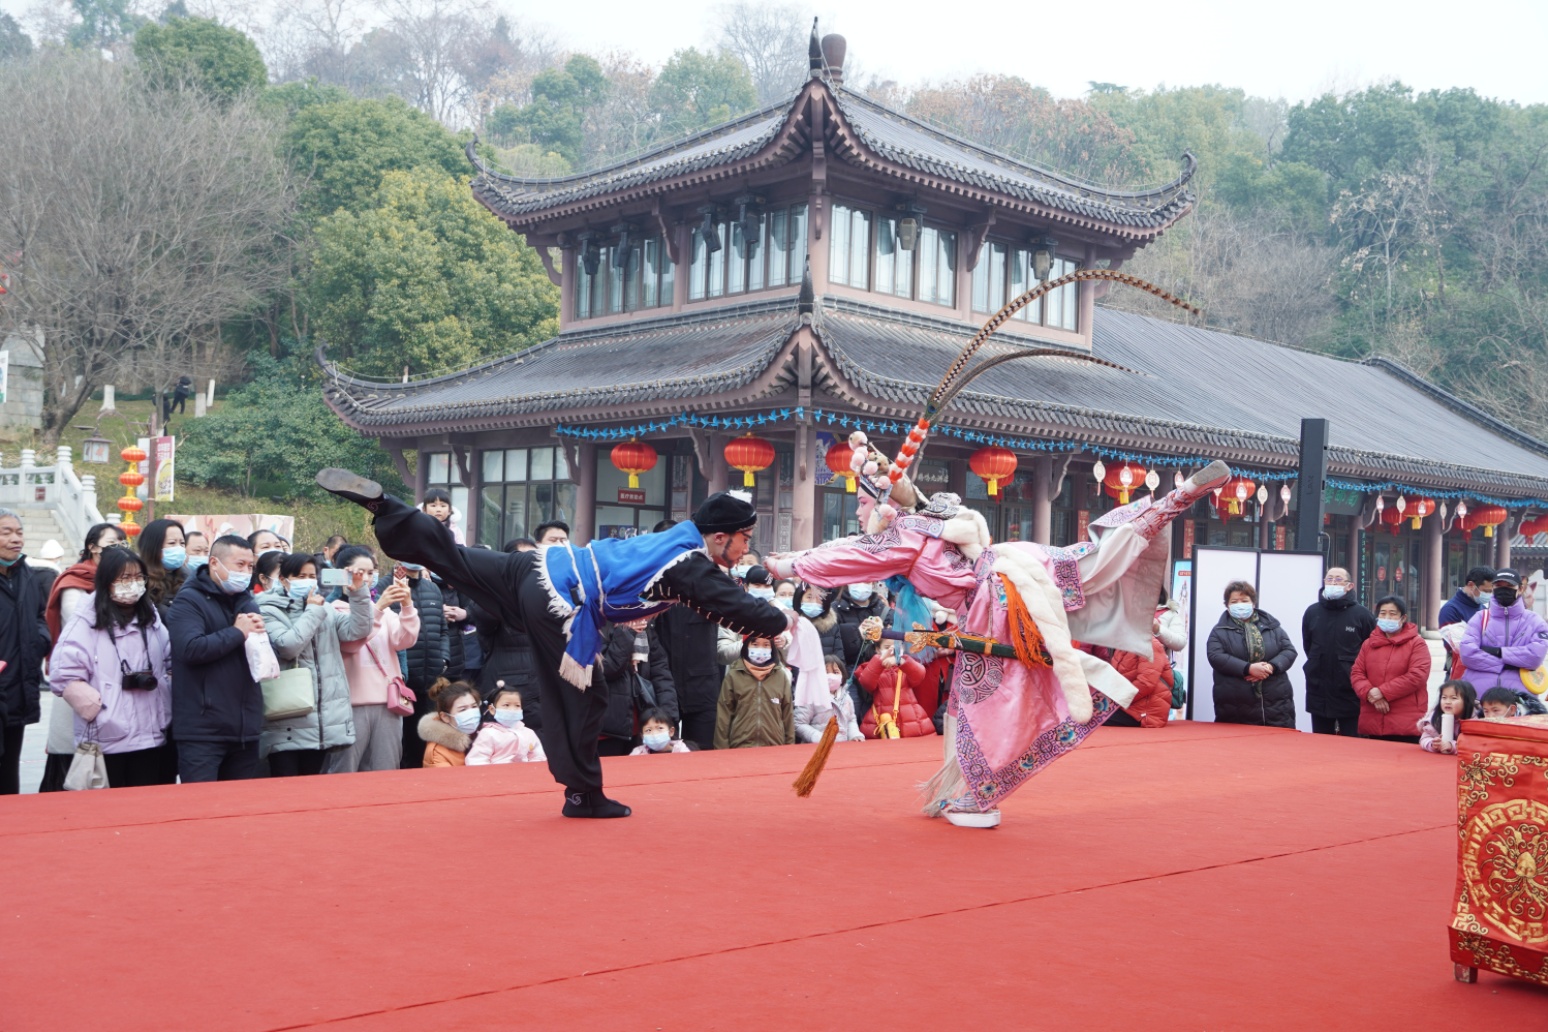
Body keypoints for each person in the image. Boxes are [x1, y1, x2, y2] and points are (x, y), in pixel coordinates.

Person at [766, 433, 1227, 827]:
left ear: (884, 502)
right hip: (1019, 562)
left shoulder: (901, 532)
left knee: (982, 706)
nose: (862, 510)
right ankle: (1175, 497)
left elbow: (847, 556)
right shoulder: (937, 516)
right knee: (1093, 556)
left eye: (865, 501)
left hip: (994, 602)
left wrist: (788, 564)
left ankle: (978, 793)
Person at [316, 468, 790, 818]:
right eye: (745, 538)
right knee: (583, 697)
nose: (746, 548)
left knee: (457, 558)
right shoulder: (689, 560)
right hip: (560, 602)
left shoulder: (674, 541)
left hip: (534, 565)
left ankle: (389, 509)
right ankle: (583, 795)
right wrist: (779, 614)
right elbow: (743, 609)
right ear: (721, 535)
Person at [49, 547, 177, 786]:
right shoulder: (86, 620)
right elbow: (62, 674)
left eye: (138, 578)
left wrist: (165, 693)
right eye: (125, 578)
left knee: (146, 806)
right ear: (107, 581)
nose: (133, 584)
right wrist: (97, 709)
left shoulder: (151, 617)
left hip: (151, 732)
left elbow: (169, 660)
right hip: (106, 736)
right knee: (110, 812)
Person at [258, 552, 374, 776]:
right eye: (301, 576)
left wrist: (358, 593)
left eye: (312, 576)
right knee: (286, 786)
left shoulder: (325, 608)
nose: (308, 581)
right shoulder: (268, 609)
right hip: (286, 717)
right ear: (283, 580)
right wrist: (312, 610)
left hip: (321, 721)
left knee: (312, 786)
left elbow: (358, 630)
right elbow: (288, 647)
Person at [167, 534, 266, 782]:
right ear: (214, 563)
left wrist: (263, 637)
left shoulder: (246, 601)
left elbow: (262, 657)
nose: (245, 572)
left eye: (250, 566)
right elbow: (190, 648)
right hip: (203, 731)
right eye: (239, 565)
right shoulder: (189, 600)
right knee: (202, 810)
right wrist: (236, 632)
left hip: (245, 727)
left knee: (241, 811)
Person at [40, 521, 129, 792]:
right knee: (76, 757)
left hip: (115, 684)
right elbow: (85, 628)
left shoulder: (124, 582)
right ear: (92, 547)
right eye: (112, 545)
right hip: (82, 682)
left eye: (123, 546)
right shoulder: (74, 583)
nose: (118, 552)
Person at [330, 545, 420, 773]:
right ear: (342, 573)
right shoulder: (333, 609)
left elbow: (404, 640)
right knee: (345, 770)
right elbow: (352, 642)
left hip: (389, 702)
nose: (367, 578)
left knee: (386, 769)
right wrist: (379, 608)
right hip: (350, 705)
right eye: (360, 572)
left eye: (371, 572)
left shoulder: (384, 611)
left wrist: (407, 605)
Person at [0, 509, 49, 794]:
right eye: (6, 532)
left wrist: (40, 640)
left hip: (18, 687)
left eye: (19, 532)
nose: (15, 538)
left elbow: (40, 616)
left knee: (10, 770)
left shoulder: (28, 575)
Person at [382, 559, 447, 768]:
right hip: (399, 682)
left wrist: (444, 658)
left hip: (429, 680)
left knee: (424, 741)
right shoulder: (385, 587)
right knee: (400, 745)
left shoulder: (433, 588)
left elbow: (443, 629)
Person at [1207, 580, 1299, 728]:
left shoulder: (1272, 626)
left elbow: (1289, 650)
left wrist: (1271, 667)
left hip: (1276, 705)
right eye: (1234, 601)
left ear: (1253, 603)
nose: (1240, 604)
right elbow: (1216, 656)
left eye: (1244, 600)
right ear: (1227, 606)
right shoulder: (1219, 631)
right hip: (1236, 706)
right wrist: (1248, 668)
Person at [1459, 568, 1548, 714]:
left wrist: (1497, 651)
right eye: (1499, 586)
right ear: (1493, 588)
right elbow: (1468, 654)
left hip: (1520, 700)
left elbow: (1535, 657)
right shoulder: (1480, 618)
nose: (1503, 590)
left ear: (1520, 589)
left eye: (1509, 586)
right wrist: (1508, 663)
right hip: (1479, 699)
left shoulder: (1535, 621)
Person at [1301, 567, 1377, 737]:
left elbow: (1371, 651)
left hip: (1350, 690)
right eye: (1329, 579)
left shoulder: (1362, 615)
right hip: (1318, 687)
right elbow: (1308, 645)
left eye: (1338, 580)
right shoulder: (1312, 612)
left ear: (1349, 586)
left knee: (1351, 744)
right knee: (1321, 743)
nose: (1333, 583)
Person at [1349, 595, 1431, 743]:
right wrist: (1369, 693)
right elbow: (1357, 673)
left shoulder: (1417, 643)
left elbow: (1417, 675)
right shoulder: (1368, 644)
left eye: (1392, 614)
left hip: (1406, 723)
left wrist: (1382, 692)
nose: (1387, 617)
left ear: (1403, 617)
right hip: (1373, 718)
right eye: (1382, 613)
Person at [597, 617, 677, 757]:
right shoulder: (594, 620)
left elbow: (661, 674)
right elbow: (605, 668)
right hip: (605, 729)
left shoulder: (643, 622)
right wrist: (626, 632)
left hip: (642, 728)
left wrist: (668, 719)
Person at [715, 636, 795, 749]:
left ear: (772, 648)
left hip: (775, 748)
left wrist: (789, 748)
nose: (760, 649)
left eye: (766, 645)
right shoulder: (733, 676)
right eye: (755, 645)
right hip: (740, 747)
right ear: (746, 646)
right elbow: (723, 717)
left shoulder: (780, 676)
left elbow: (788, 716)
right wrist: (721, 751)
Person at [856, 645, 936, 738]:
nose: (892, 651)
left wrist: (900, 661)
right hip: (882, 720)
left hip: (911, 721)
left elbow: (920, 674)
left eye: (896, 647)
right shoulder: (873, 668)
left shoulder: (905, 667)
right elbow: (866, 682)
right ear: (877, 649)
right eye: (886, 648)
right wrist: (880, 660)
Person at [1105, 634, 1175, 728]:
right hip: (1126, 706)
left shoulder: (1149, 644)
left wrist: (1117, 698)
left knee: (1090, 719)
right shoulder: (1122, 645)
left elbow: (1146, 683)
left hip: (1146, 712)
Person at [465, 683, 545, 764]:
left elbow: (539, 756)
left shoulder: (529, 733)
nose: (512, 709)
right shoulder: (488, 734)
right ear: (492, 709)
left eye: (517, 705)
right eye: (506, 705)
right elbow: (477, 760)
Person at [794, 655, 864, 743]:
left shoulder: (846, 697)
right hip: (817, 749)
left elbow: (851, 720)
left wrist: (855, 735)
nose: (831, 676)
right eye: (826, 672)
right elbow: (798, 723)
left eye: (835, 672)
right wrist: (818, 737)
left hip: (842, 748)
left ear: (842, 675)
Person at [420, 678, 480, 767]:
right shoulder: (437, 752)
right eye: (463, 709)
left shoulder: (485, 734)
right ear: (445, 717)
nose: (471, 713)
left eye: (474, 706)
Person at [138, 518, 188, 622]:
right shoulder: (138, 581)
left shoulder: (189, 578)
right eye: (172, 543)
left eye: (182, 543)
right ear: (153, 547)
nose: (179, 548)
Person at [831, 579, 889, 668]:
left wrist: (884, 633)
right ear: (848, 583)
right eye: (857, 580)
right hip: (848, 673)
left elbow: (896, 646)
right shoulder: (834, 610)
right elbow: (831, 647)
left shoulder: (884, 610)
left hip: (880, 672)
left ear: (873, 583)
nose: (861, 585)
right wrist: (856, 635)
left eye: (866, 581)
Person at [1419, 679, 1477, 754]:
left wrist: (1452, 746)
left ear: (1467, 702)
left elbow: (1475, 745)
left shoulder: (1475, 721)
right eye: (1444, 697)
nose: (1447, 702)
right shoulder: (1435, 718)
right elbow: (1424, 738)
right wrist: (1433, 744)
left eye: (1454, 698)